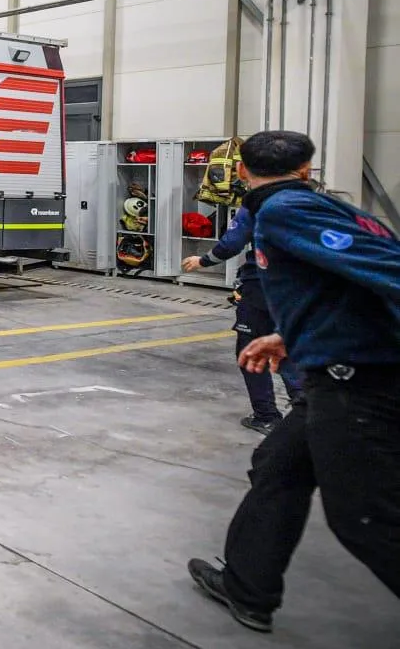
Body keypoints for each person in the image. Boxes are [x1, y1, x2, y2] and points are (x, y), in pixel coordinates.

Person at [187, 130, 400, 632]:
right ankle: (247, 587)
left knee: (366, 520)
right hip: (334, 371)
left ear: (239, 170)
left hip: (359, 383)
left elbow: (389, 269)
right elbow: (345, 284)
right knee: (277, 465)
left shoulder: (286, 211)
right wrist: (292, 333)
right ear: (306, 168)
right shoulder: (313, 207)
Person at [182, 204, 304, 434]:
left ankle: (266, 416)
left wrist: (203, 261)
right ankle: (308, 411)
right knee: (286, 347)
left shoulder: (258, 203)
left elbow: (232, 243)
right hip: (297, 291)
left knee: (250, 351)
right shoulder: (310, 201)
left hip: (261, 288)